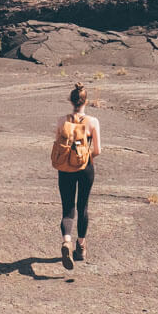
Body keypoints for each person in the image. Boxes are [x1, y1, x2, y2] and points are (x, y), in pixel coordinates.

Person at [52, 82, 101, 269]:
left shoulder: (61, 121)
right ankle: (81, 246)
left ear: (70, 101)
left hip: (65, 168)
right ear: (86, 101)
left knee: (67, 208)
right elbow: (97, 150)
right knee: (83, 206)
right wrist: (84, 158)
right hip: (85, 168)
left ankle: (66, 240)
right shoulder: (92, 122)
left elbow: (58, 145)